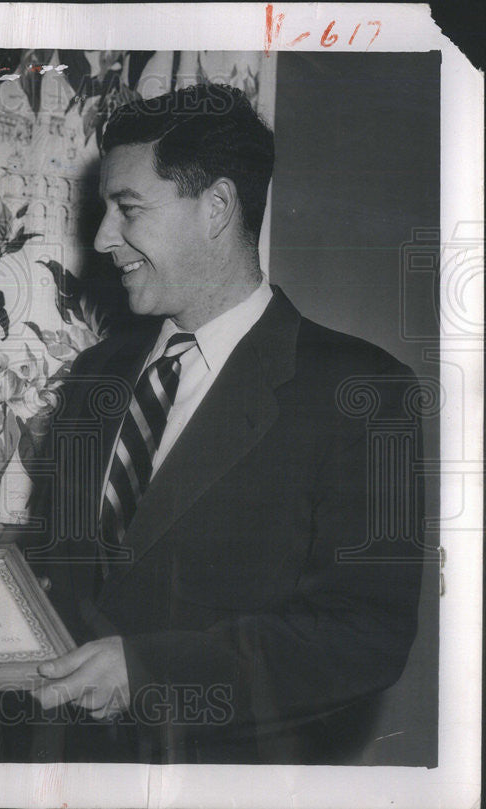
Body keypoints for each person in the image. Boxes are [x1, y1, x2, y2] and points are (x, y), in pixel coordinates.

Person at [26, 83, 427, 764]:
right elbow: (63, 573)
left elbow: (364, 634)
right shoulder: (95, 376)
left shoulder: (361, 389)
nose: (101, 239)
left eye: (127, 210)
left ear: (215, 208)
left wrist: (149, 673)